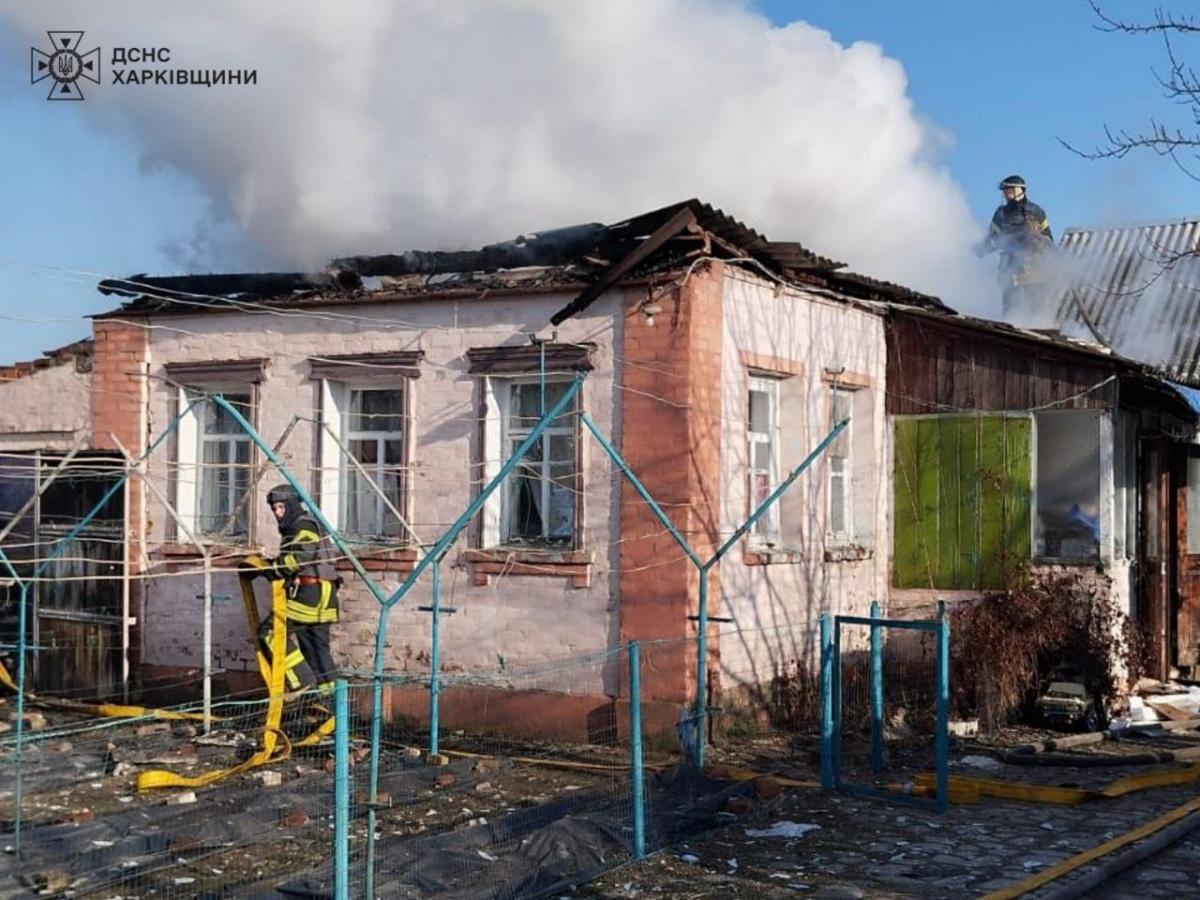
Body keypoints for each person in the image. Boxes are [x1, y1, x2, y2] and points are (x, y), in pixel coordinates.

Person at [251, 483, 340, 691]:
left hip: (310, 594)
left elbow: (299, 558)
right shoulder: (303, 524)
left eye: (281, 507)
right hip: (322, 595)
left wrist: (271, 569)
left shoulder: (303, 526)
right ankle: (329, 702)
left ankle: (301, 682)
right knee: (316, 651)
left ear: (291, 505)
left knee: (269, 633)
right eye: (274, 509)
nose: (278, 513)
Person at [979, 175, 1054, 314]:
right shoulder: (1001, 214)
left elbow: (1049, 240)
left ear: (1020, 190)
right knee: (1011, 310)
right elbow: (991, 239)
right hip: (1010, 270)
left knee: (1036, 309)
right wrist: (978, 251)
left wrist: (1037, 240)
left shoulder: (1036, 212)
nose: (1006, 194)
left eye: (1009, 190)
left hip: (1034, 270)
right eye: (1005, 191)